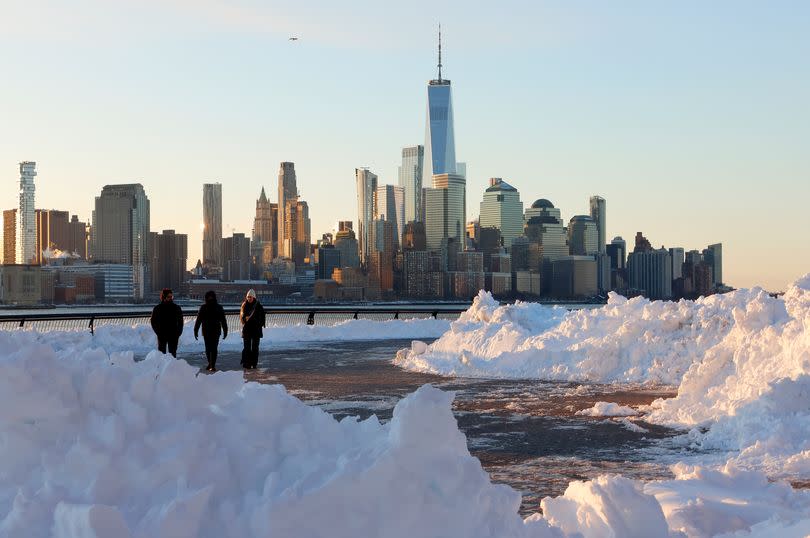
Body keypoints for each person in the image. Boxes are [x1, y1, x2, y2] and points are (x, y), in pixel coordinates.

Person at [193, 290, 228, 372]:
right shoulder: (206, 307)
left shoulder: (216, 307)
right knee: (209, 348)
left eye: (211, 297)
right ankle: (211, 363)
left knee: (212, 348)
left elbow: (223, 320)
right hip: (209, 331)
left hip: (212, 331)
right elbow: (199, 320)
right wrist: (195, 330)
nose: (210, 298)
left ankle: (212, 364)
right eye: (209, 297)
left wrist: (225, 330)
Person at [150, 288, 184, 357]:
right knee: (161, 355)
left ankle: (172, 367)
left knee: (173, 355)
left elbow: (181, 321)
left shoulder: (176, 308)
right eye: (169, 297)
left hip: (173, 335)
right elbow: (153, 321)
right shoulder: (157, 308)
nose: (171, 298)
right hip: (162, 335)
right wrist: (158, 332)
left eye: (172, 296)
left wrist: (178, 333)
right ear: (164, 297)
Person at [240, 289, 265, 369]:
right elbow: (241, 318)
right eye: (247, 297)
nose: (249, 298)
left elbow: (262, 318)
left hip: (256, 330)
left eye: (250, 297)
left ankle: (254, 363)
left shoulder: (258, 306)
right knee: (247, 347)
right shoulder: (244, 305)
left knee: (255, 348)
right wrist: (244, 319)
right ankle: (247, 363)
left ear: (254, 297)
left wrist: (257, 322)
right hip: (247, 329)